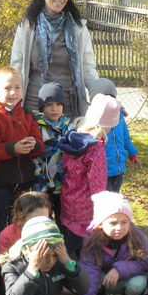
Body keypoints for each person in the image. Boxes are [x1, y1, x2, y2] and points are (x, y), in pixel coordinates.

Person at [10, 0, 98, 118]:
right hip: (34, 107)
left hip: (68, 108)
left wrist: (103, 97)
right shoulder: (28, 27)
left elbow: (88, 69)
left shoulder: (78, 29)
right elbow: (16, 67)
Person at [0, 66, 44, 238]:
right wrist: (13, 149)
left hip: (26, 179)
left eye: (17, 88)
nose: (13, 93)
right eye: (7, 88)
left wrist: (34, 145)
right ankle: (2, 252)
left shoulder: (28, 114)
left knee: (25, 221)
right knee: (2, 222)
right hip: (0, 182)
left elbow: (40, 144)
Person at [78, 191, 148, 295]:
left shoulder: (137, 236)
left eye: (124, 222)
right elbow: (89, 270)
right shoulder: (92, 239)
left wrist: (119, 269)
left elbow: (145, 262)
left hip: (126, 277)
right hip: (101, 277)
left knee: (138, 283)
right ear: (100, 223)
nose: (119, 228)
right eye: (113, 223)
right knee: (87, 276)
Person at [59, 93, 121, 256]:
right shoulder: (95, 149)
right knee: (83, 242)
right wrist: (102, 205)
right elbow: (97, 182)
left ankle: (68, 261)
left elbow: (65, 166)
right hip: (86, 204)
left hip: (69, 198)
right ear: (107, 126)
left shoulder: (72, 138)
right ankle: (76, 266)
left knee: (72, 237)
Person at [88, 78, 139, 193]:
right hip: (102, 172)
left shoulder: (119, 116)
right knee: (107, 200)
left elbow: (125, 137)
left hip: (118, 168)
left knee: (115, 195)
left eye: (111, 98)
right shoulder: (94, 119)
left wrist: (132, 154)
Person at [32, 82, 73, 220]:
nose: (54, 109)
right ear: (42, 107)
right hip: (45, 183)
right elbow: (35, 159)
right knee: (45, 218)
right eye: (49, 105)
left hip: (65, 184)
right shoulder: (38, 128)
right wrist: (40, 186)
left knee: (64, 219)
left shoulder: (69, 127)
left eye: (58, 104)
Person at [0, 191, 52, 256]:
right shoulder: (7, 235)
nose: (41, 223)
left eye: (45, 218)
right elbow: (4, 261)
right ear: (21, 215)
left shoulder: (50, 231)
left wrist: (61, 257)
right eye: (35, 218)